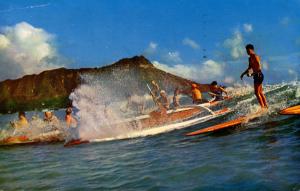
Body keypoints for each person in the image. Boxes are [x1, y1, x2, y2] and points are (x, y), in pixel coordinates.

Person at [240, 44, 268, 109]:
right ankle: (266, 106)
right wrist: (243, 74)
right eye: (246, 51)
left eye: (248, 50)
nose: (247, 52)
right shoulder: (249, 59)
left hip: (259, 75)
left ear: (252, 50)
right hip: (256, 75)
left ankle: (263, 107)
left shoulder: (255, 56)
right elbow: (250, 68)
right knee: (260, 92)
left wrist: (251, 74)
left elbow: (259, 67)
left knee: (256, 92)